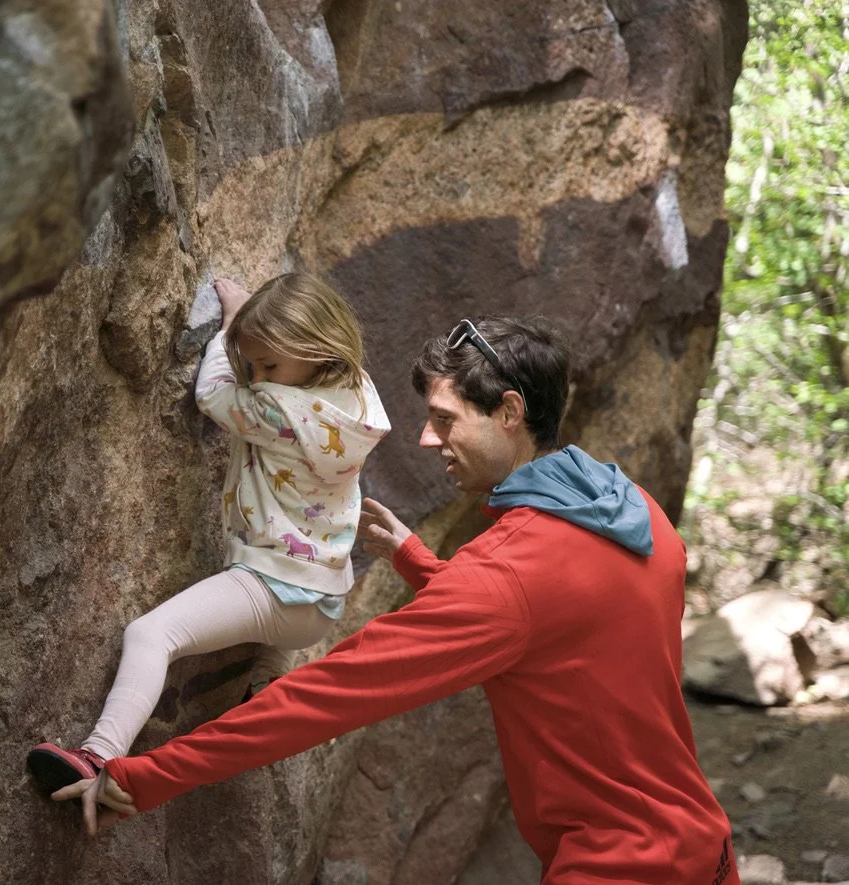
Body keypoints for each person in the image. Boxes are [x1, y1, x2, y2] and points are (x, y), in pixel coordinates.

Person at [53, 315, 740, 885]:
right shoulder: (632, 510)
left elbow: (326, 696)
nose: (425, 437)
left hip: (616, 867)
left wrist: (142, 778)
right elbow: (566, 625)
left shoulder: (503, 578)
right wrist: (422, 564)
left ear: (509, 412)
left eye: (444, 418)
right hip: (703, 849)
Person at [27, 273, 390, 793]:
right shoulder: (358, 399)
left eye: (268, 365)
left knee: (151, 635)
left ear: (314, 348)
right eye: (256, 364)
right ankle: (269, 689)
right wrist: (262, 341)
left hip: (274, 585)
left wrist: (229, 329)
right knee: (272, 639)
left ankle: (97, 756)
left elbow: (214, 395)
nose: (259, 373)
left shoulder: (278, 411)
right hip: (323, 601)